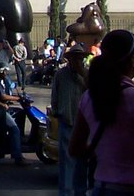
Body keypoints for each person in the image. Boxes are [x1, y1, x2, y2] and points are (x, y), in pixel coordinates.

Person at [69, 29, 134, 195]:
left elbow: (75, 149)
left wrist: (104, 153)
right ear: (132, 60)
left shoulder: (89, 97)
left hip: (102, 186)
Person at [50, 44, 88, 195]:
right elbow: (55, 94)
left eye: (79, 58)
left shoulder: (86, 74)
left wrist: (82, 73)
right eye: (74, 58)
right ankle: (65, 192)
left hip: (83, 124)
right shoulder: (61, 74)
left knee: (82, 162)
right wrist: (57, 111)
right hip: (66, 120)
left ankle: (80, 192)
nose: (76, 61)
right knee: (66, 162)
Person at [0, 62, 25, 165]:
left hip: (0, 108)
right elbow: (2, 96)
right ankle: (18, 157)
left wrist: (16, 96)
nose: (6, 73)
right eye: (4, 71)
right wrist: (18, 98)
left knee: (19, 113)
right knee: (15, 129)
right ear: (0, 71)